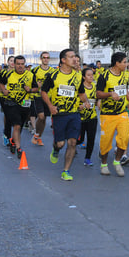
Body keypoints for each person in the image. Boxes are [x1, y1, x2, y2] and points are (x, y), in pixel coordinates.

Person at [41, 49, 90, 181]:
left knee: (72, 142)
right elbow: (43, 92)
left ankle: (66, 171)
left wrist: (86, 101)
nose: (75, 59)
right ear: (63, 60)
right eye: (71, 57)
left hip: (74, 113)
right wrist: (50, 106)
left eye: (75, 57)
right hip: (59, 114)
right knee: (61, 143)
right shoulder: (53, 75)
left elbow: (80, 93)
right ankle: (56, 149)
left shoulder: (78, 76)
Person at [96, 52, 129, 177]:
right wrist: (110, 94)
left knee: (124, 137)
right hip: (107, 114)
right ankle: (104, 164)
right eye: (124, 62)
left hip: (122, 113)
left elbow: (124, 89)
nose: (126, 64)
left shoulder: (125, 76)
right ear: (117, 63)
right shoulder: (104, 76)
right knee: (106, 142)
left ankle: (117, 161)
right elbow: (98, 94)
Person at [0, 55, 38, 158]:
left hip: (25, 103)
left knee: (20, 125)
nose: (20, 66)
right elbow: (1, 84)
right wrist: (4, 90)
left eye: (22, 64)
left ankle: (13, 141)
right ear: (14, 64)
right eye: (18, 64)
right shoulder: (8, 74)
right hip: (11, 102)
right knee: (17, 125)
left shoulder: (30, 75)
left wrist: (29, 90)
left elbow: (36, 88)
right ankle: (19, 148)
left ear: (24, 64)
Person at [30, 52, 55, 146]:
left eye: (47, 57)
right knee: (41, 116)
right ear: (41, 59)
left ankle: (39, 137)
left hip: (48, 97)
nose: (46, 59)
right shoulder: (35, 70)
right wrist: (37, 86)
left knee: (44, 119)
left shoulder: (53, 71)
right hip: (38, 97)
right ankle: (36, 134)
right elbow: (31, 82)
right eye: (44, 57)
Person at [77, 68, 98, 166]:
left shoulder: (94, 86)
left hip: (92, 117)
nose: (91, 77)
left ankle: (87, 158)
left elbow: (97, 99)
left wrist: (99, 103)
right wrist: (82, 106)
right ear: (83, 77)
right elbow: (75, 104)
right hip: (80, 118)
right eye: (88, 75)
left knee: (91, 139)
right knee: (79, 140)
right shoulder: (80, 88)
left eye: (92, 75)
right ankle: (71, 146)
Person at [0, 56, 15, 146]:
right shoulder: (3, 72)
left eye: (13, 61)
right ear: (7, 62)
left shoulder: (18, 74)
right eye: (10, 61)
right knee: (8, 115)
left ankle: (11, 134)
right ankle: (7, 135)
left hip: (15, 98)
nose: (12, 62)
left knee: (12, 117)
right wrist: (2, 91)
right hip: (4, 97)